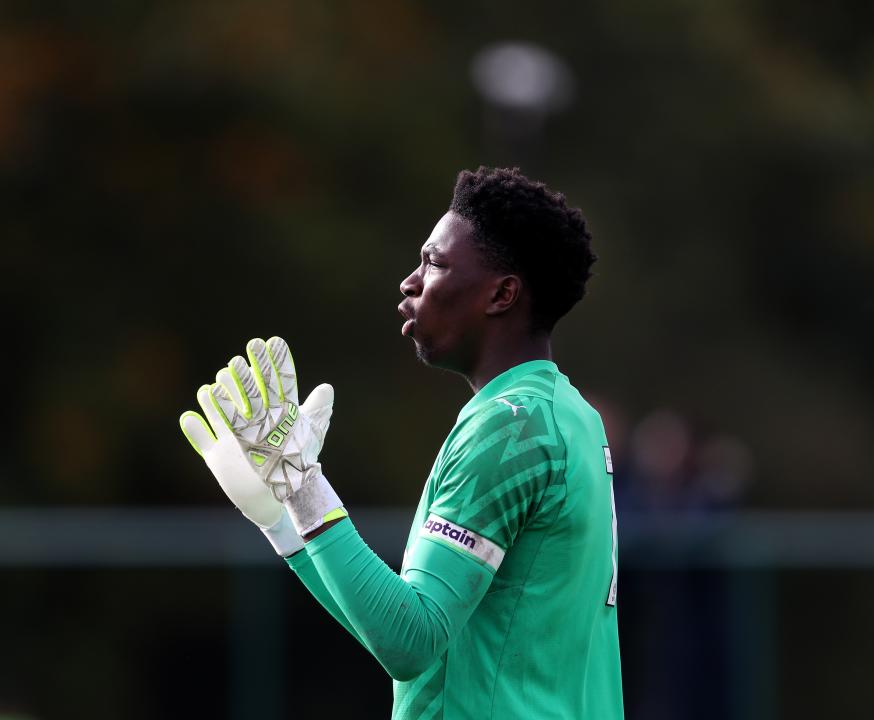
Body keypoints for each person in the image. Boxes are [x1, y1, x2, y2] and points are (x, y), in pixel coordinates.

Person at [179, 167, 623, 719]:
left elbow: (409, 643)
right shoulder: (571, 416)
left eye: (434, 263)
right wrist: (285, 521)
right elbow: (407, 634)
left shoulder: (509, 427)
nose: (410, 282)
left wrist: (303, 483)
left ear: (502, 293)